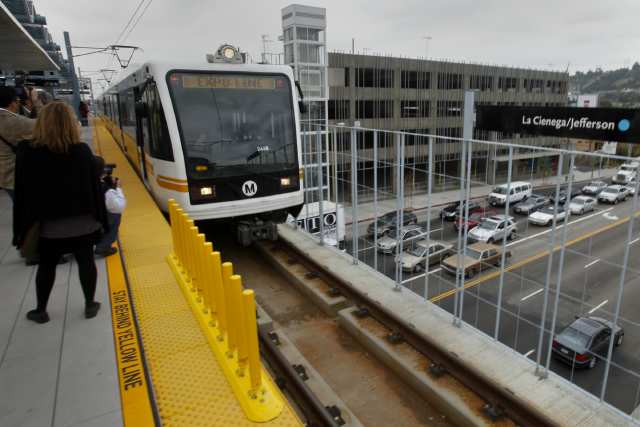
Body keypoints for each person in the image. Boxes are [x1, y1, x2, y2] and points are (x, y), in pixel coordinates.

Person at [13, 102, 109, 324]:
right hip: (83, 223)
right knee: (86, 262)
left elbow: (23, 191)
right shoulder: (81, 151)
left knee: (47, 266)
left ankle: (41, 310)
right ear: (70, 124)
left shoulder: (27, 152)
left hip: (48, 227)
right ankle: (90, 304)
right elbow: (93, 178)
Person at [0, 86, 35, 202]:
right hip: (16, 176)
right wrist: (34, 101)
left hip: (4, 176)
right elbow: (44, 124)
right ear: (13, 102)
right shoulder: (12, 121)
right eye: (18, 101)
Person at [94, 160, 126, 257]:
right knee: (115, 215)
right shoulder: (104, 188)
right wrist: (118, 189)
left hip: (80, 218)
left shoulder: (82, 181)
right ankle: (103, 246)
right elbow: (118, 207)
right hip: (95, 219)